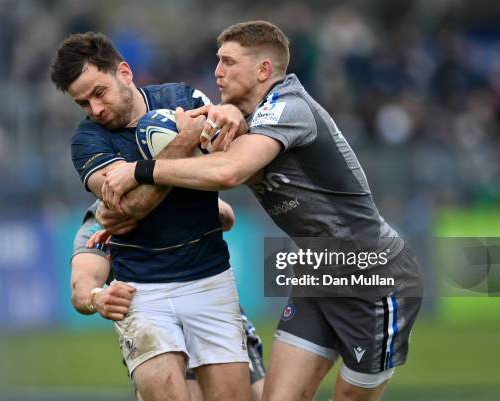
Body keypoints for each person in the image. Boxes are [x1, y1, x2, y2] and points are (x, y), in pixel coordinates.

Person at [101, 21, 423, 401]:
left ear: (263, 70)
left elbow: (229, 171)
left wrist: (139, 170)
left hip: (372, 274)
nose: (217, 71)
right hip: (318, 269)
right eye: (217, 62)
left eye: (228, 62)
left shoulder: (289, 107)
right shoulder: (244, 114)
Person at [49, 32, 251, 401]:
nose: (95, 110)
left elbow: (228, 167)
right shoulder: (87, 141)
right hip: (142, 292)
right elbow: (130, 208)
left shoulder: (182, 99)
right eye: (83, 103)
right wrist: (183, 143)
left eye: (99, 93)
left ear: (124, 73)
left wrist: (233, 113)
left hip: (211, 279)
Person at [71, 200, 266, 401]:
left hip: (210, 309)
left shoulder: (175, 186)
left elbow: (227, 216)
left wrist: (169, 209)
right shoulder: (99, 222)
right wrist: (97, 297)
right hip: (153, 321)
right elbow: (81, 288)